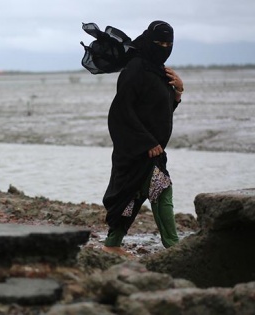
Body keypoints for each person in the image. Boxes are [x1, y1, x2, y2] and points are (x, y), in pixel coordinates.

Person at [100, 21, 184, 256]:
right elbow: (121, 112)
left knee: (132, 197)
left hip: (153, 149)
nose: (164, 47)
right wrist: (146, 142)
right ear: (148, 41)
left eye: (169, 44)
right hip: (136, 149)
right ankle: (175, 248)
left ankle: (112, 244)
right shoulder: (135, 69)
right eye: (159, 43)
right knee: (161, 189)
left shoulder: (159, 71)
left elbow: (159, 112)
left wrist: (177, 91)